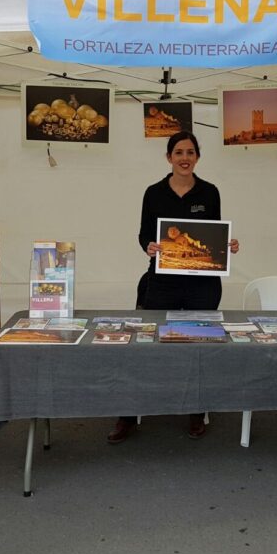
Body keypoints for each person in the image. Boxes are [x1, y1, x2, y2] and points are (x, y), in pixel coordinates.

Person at [108, 131, 240, 443]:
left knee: (199, 345)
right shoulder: (153, 192)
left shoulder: (210, 193)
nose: (184, 158)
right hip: (162, 281)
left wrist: (227, 245)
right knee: (146, 344)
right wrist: (150, 246)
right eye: (178, 152)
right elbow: (143, 234)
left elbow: (213, 235)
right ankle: (129, 412)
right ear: (169, 157)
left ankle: (196, 409)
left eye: (190, 152)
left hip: (202, 285)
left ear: (197, 157)